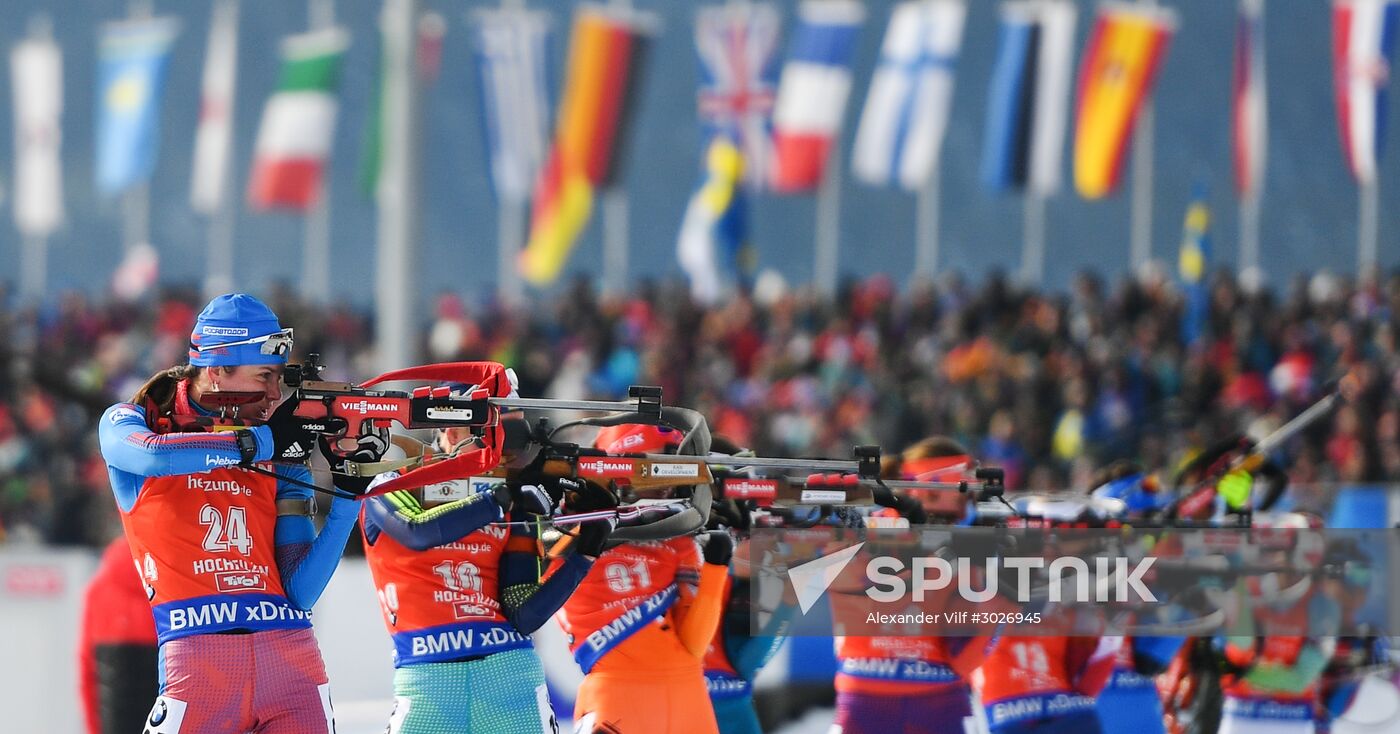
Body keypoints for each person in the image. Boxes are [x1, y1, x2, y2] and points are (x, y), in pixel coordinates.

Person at [97, 293, 371, 733]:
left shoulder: (278, 447)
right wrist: (259, 445)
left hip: (291, 665)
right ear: (218, 369)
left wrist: (347, 499)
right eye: (265, 375)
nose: (275, 395)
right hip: (198, 667)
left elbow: (300, 592)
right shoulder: (133, 420)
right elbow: (151, 457)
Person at [360, 403, 613, 734]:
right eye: (489, 436)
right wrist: (500, 499)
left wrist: (585, 551)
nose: (502, 452)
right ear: (451, 432)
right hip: (428, 687)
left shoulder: (512, 498)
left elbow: (524, 614)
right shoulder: (394, 482)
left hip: (511, 678)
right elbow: (416, 530)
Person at [556, 423, 731, 734]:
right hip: (617, 695)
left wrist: (717, 567)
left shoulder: (679, 542)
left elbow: (694, 645)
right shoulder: (571, 527)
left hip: (688, 695)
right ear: (618, 468)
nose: (668, 485)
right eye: (655, 470)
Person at [826, 437, 996, 734]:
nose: (970, 500)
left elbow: (966, 653)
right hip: (893, 696)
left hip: (906, 698)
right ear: (932, 489)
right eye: (963, 488)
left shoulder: (962, 542)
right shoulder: (870, 528)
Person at [700, 438, 794, 734]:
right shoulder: (666, 536)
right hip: (677, 699)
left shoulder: (757, 555)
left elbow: (745, 663)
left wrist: (788, 601)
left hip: (725, 707)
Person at [79, 535, 158, 734]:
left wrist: (94, 729)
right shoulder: (174, 589)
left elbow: (87, 670)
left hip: (115, 721)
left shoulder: (97, 590)